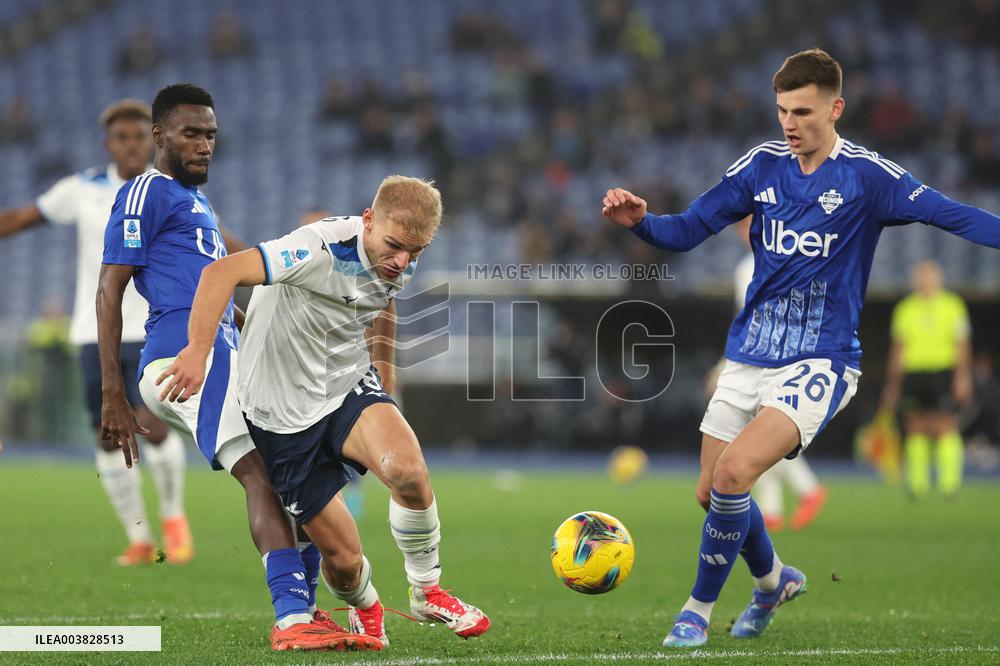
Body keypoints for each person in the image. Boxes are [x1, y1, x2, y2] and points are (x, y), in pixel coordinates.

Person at [600, 48, 1000, 648]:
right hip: (748, 354)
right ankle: (772, 581)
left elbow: (954, 215)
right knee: (711, 491)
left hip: (822, 359)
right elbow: (686, 230)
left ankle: (695, 612)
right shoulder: (761, 166)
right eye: (783, 110)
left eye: (804, 111)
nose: (790, 123)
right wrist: (642, 223)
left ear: (836, 109)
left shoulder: (869, 177)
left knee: (735, 474)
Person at [97, 83, 380, 652]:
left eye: (210, 136)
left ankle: (306, 612)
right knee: (261, 472)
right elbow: (110, 289)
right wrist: (113, 393)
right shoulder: (143, 193)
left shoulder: (196, 202)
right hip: (181, 363)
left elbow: (232, 287)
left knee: (295, 469)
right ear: (160, 136)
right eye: (191, 134)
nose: (204, 145)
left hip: (226, 356)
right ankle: (293, 617)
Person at [156, 175, 491, 647]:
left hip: (345, 386)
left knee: (409, 472)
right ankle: (367, 607)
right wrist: (196, 350)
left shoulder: (400, 255)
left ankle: (428, 589)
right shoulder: (316, 249)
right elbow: (220, 273)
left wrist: (385, 381)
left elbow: (383, 305)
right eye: (395, 247)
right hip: (280, 412)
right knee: (344, 561)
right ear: (368, 221)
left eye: (415, 253)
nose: (402, 262)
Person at [0, 99, 196, 566]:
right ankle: (140, 539)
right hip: (94, 332)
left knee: (149, 425)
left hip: (151, 327)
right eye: (120, 138)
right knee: (108, 433)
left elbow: (216, 238)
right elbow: (22, 218)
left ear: (152, 140)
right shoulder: (82, 189)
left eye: (137, 137)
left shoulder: (170, 190)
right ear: (109, 144)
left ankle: (173, 516)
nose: (129, 145)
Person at [733, 216, 827, 532]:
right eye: (742, 227)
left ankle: (802, 493)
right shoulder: (747, 266)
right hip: (759, 356)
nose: (746, 232)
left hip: (776, 359)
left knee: (761, 435)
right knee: (760, 434)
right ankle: (781, 504)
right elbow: (745, 320)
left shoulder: (766, 264)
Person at [881, 260, 972, 498]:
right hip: (913, 373)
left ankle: (949, 484)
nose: (925, 280)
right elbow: (898, 348)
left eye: (929, 275)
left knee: (945, 425)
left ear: (939, 278)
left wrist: (963, 377)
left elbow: (962, 344)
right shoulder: (905, 308)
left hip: (942, 371)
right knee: (915, 426)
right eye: (920, 276)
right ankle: (917, 484)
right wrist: (893, 384)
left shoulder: (953, 305)